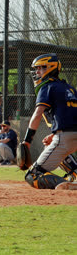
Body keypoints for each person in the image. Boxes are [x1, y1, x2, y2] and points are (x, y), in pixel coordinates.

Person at [22, 53, 77, 189]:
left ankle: (69, 185)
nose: (37, 72)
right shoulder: (69, 88)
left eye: (41, 68)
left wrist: (27, 141)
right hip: (71, 135)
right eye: (36, 69)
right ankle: (75, 174)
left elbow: (38, 113)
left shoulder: (47, 86)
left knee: (32, 176)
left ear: (51, 68)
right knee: (53, 144)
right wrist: (54, 135)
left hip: (65, 137)